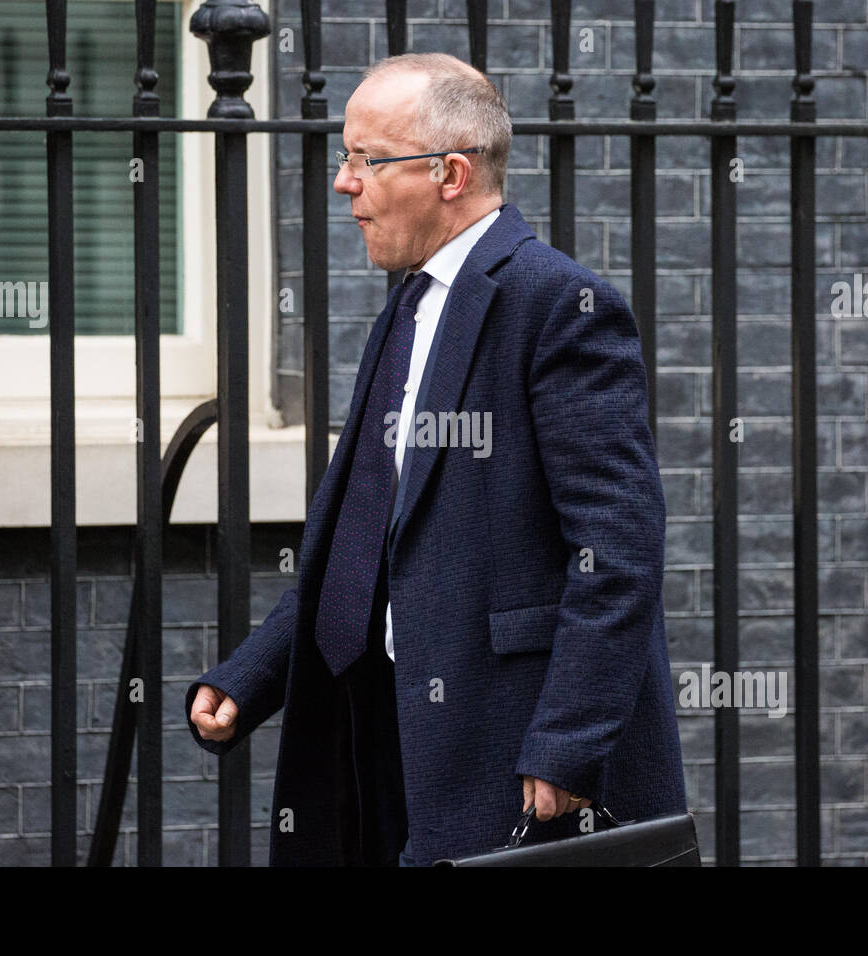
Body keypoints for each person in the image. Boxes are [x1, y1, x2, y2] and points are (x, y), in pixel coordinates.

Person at [187, 51, 687, 867]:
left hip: (502, 743)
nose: (345, 183)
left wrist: (566, 741)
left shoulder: (559, 306)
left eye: (364, 159)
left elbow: (620, 554)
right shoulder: (409, 307)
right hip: (377, 728)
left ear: (450, 173)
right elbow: (365, 532)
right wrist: (253, 675)